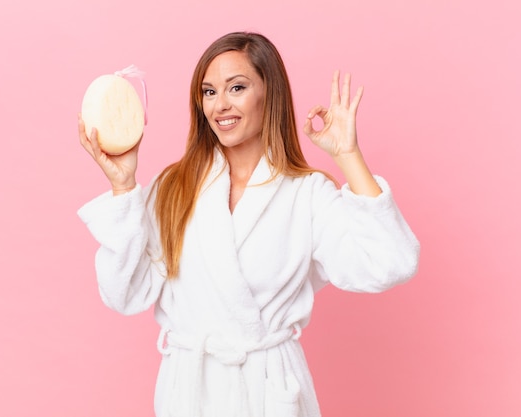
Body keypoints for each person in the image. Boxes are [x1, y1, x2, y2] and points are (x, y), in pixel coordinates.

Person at [77, 31, 419, 417]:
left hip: (270, 393)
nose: (220, 105)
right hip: (190, 395)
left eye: (236, 87)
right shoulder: (173, 187)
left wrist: (348, 156)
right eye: (208, 92)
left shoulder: (306, 194)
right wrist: (123, 188)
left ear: (268, 93)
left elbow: (391, 263)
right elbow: (125, 294)